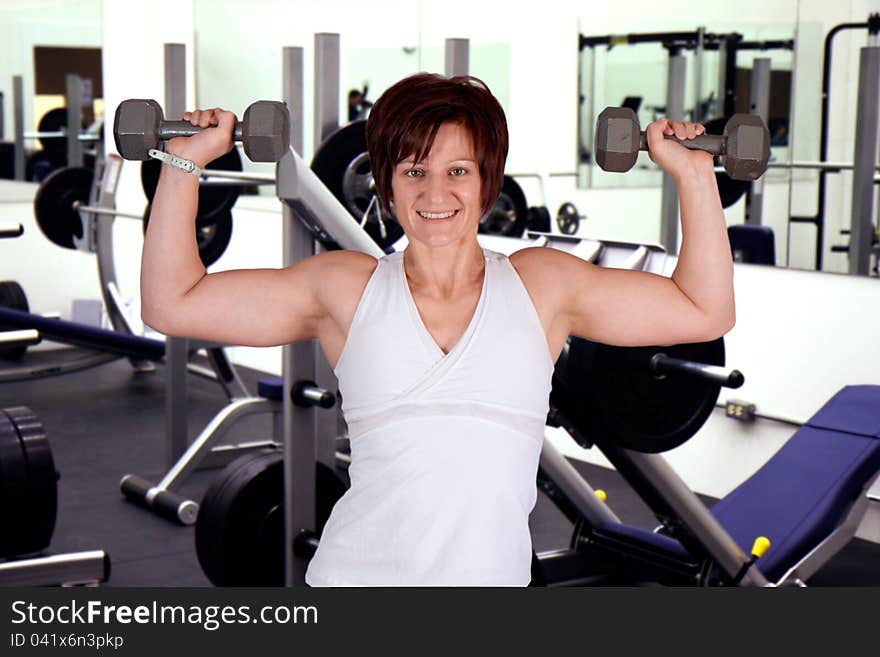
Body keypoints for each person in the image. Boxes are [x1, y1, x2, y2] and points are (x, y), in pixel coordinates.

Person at [140, 73, 734, 586]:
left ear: (486, 183)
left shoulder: (542, 286)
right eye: (414, 170)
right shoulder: (346, 288)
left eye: (458, 170)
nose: (435, 193)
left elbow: (702, 311)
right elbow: (173, 304)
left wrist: (695, 176)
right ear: (387, 184)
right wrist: (183, 162)